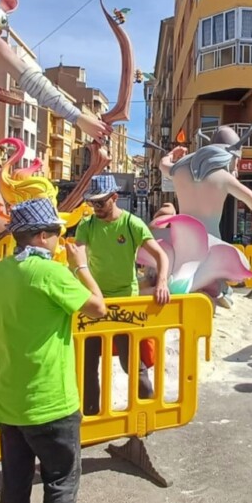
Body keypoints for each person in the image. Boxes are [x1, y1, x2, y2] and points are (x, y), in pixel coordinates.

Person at [0, 191, 106, 503]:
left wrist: (3, 370)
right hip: (51, 401)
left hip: (8, 399)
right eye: (57, 233)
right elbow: (98, 307)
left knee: (15, 484)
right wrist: (81, 266)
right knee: (61, 481)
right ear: (41, 235)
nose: (60, 240)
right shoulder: (50, 273)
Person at [74, 175, 171, 415]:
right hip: (95, 302)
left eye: (100, 202)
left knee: (133, 363)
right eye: (92, 203)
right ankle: (91, 415)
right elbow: (80, 255)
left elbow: (161, 255)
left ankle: (145, 413)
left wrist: (162, 283)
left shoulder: (131, 223)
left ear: (114, 197)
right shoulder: (87, 225)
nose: (96, 207)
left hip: (126, 302)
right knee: (87, 363)